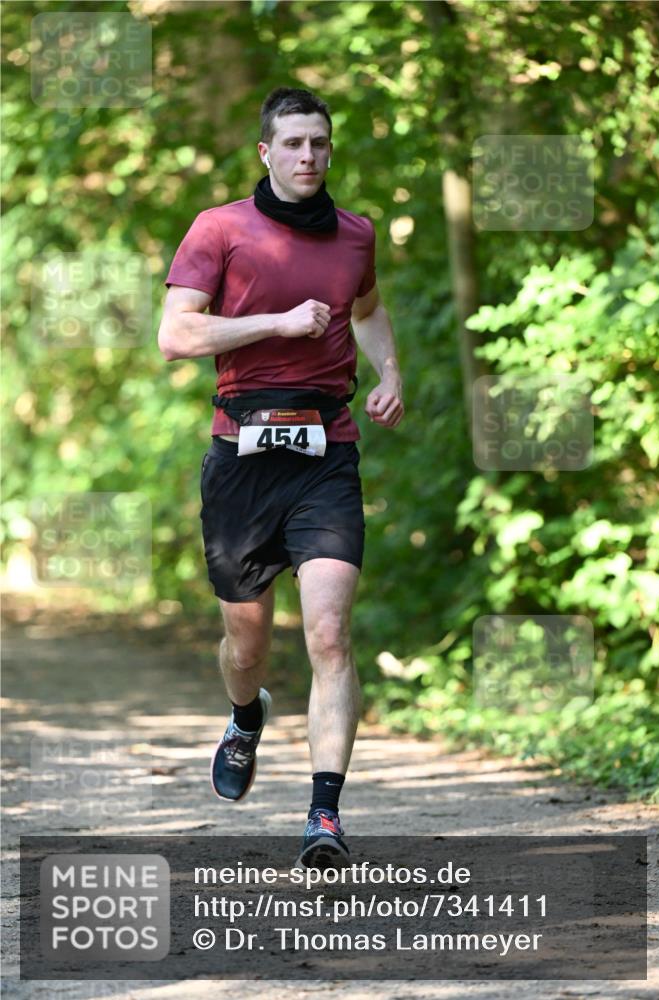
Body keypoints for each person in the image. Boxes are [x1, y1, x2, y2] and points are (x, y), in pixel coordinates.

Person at [158, 87, 403, 868]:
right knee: (248, 645)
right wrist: (276, 321)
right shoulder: (220, 229)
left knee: (330, 633)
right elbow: (175, 334)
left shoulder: (356, 235)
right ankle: (243, 717)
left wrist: (388, 370)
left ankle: (323, 816)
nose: (308, 157)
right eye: (293, 144)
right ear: (265, 151)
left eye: (320, 144)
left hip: (326, 451)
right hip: (242, 454)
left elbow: (365, 309)